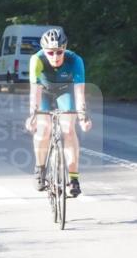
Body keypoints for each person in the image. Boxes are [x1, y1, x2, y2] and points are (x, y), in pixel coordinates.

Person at [24, 28, 92, 197]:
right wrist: (33, 115)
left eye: (59, 52)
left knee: (69, 128)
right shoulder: (36, 60)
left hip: (65, 90)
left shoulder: (75, 60)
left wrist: (83, 116)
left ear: (65, 49)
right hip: (44, 92)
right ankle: (40, 170)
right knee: (44, 128)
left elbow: (79, 92)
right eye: (50, 53)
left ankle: (74, 178)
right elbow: (35, 93)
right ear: (44, 51)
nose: (55, 57)